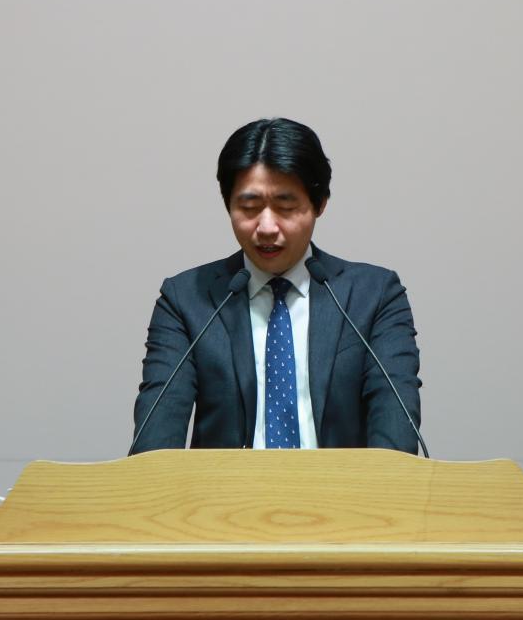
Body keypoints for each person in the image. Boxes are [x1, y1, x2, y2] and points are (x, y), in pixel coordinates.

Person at [130, 117, 423, 455]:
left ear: (319, 204)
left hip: (341, 489)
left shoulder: (375, 295)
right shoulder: (186, 299)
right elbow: (154, 448)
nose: (267, 227)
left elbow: (395, 443)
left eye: (286, 207)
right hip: (224, 490)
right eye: (249, 207)